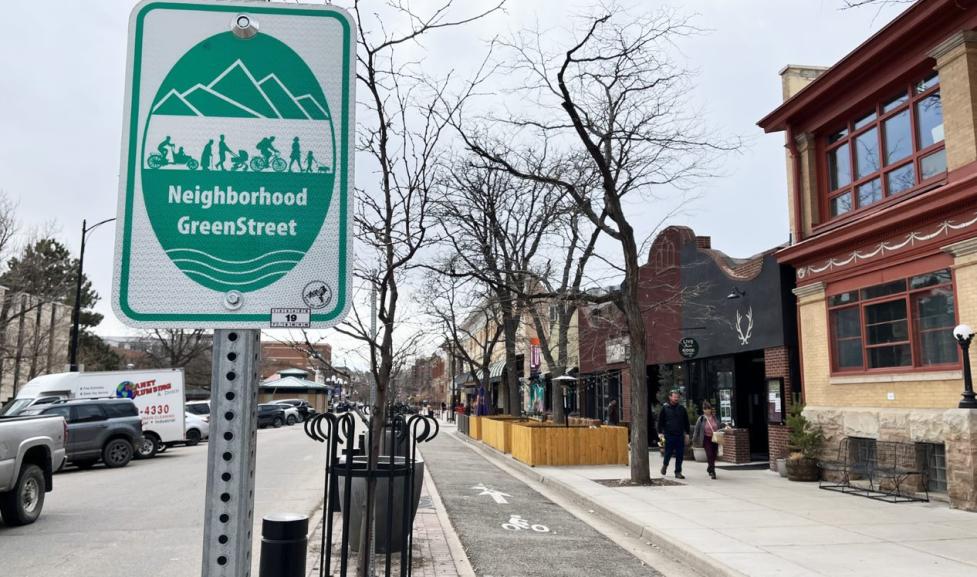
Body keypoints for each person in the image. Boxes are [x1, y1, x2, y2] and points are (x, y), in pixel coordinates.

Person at [657, 390, 690, 479]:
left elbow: (686, 422)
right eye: (674, 397)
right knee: (668, 453)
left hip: (679, 435)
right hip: (669, 435)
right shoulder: (665, 408)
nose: (676, 398)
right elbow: (660, 422)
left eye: (677, 397)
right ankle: (665, 465)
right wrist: (660, 433)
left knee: (680, 454)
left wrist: (687, 434)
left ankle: (678, 472)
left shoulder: (682, 409)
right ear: (670, 397)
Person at [692, 401, 727, 479]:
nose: (707, 410)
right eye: (705, 409)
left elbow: (719, 425)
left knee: (714, 455)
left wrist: (725, 426)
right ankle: (712, 471)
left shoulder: (715, 417)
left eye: (708, 408)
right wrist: (694, 440)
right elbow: (696, 430)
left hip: (715, 438)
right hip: (706, 439)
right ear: (703, 410)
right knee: (709, 454)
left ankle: (709, 467)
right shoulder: (701, 419)